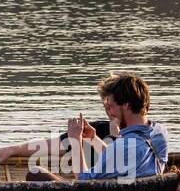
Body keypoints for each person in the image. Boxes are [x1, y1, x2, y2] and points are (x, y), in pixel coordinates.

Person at [25, 72, 168, 183]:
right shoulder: (160, 132)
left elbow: (84, 180)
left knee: (36, 172)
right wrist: (93, 139)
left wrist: (75, 140)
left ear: (127, 105)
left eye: (111, 106)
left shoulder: (123, 146)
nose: (110, 113)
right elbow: (122, 158)